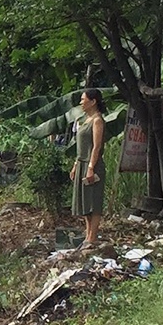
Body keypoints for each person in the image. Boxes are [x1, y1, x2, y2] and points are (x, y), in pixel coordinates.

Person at [70, 88, 107, 248]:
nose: (81, 102)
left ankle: (92, 236)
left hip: (92, 164)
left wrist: (91, 167)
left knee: (93, 201)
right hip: (81, 163)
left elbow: (96, 147)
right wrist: (75, 165)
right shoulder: (84, 119)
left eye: (83, 99)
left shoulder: (97, 120)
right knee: (84, 202)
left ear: (93, 102)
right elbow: (81, 147)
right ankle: (87, 234)